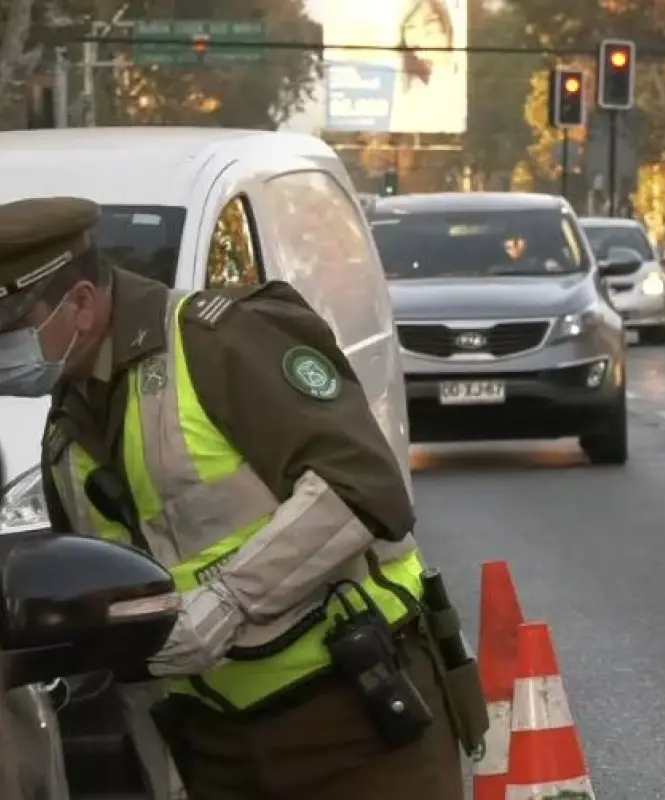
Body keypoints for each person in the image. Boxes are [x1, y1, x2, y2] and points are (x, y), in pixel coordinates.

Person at [0, 196, 481, 800]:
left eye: (9, 330)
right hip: (214, 743)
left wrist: (225, 601)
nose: (4, 355)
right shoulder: (66, 425)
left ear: (81, 303)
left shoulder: (215, 342)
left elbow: (363, 484)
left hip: (350, 717)